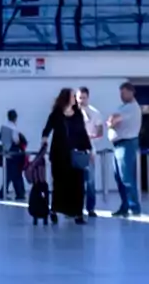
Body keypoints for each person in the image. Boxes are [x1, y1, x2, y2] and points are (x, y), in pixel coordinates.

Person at [40, 88, 92, 224]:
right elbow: (47, 128)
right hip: (59, 155)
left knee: (78, 184)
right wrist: (44, 139)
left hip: (75, 154)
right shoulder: (56, 114)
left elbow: (83, 133)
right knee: (59, 184)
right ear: (66, 98)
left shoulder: (78, 114)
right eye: (72, 96)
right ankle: (55, 210)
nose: (75, 98)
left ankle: (78, 213)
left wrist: (89, 149)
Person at [108, 81, 143, 217]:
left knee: (126, 177)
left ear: (131, 92)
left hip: (126, 144)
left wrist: (112, 122)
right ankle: (125, 205)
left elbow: (113, 120)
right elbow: (111, 119)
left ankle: (134, 207)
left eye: (123, 93)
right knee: (119, 177)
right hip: (118, 145)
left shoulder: (132, 108)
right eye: (120, 93)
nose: (121, 96)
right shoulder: (123, 107)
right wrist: (112, 121)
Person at [77, 86, 105, 218]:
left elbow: (100, 133)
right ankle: (74, 208)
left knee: (90, 182)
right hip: (75, 152)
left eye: (84, 97)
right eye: (79, 98)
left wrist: (90, 138)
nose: (81, 100)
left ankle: (90, 208)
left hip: (89, 151)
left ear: (88, 97)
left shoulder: (95, 113)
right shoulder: (71, 113)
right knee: (75, 182)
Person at [0, 109, 25, 201]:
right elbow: (16, 140)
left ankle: (3, 191)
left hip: (5, 151)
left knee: (9, 173)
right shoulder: (14, 128)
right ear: (15, 118)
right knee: (16, 173)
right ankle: (19, 193)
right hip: (14, 152)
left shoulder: (3, 127)